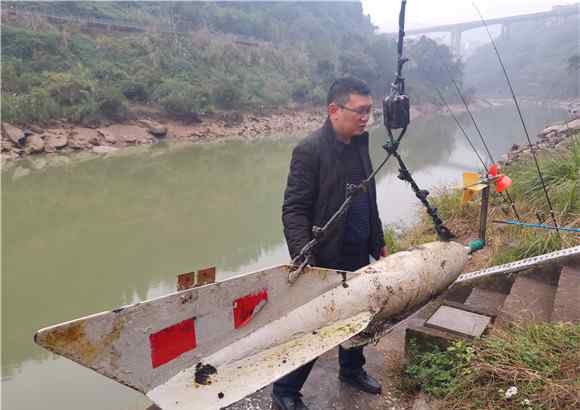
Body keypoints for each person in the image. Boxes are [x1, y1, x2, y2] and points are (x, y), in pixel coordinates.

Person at [274, 77, 388, 410]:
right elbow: (293, 208)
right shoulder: (310, 150)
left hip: (359, 248)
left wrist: (377, 240)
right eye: (360, 110)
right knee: (314, 327)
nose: (366, 117)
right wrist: (302, 255)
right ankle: (285, 391)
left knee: (359, 315)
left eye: (370, 111)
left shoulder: (360, 144)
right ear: (334, 110)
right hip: (324, 255)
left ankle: (351, 370)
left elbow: (370, 199)